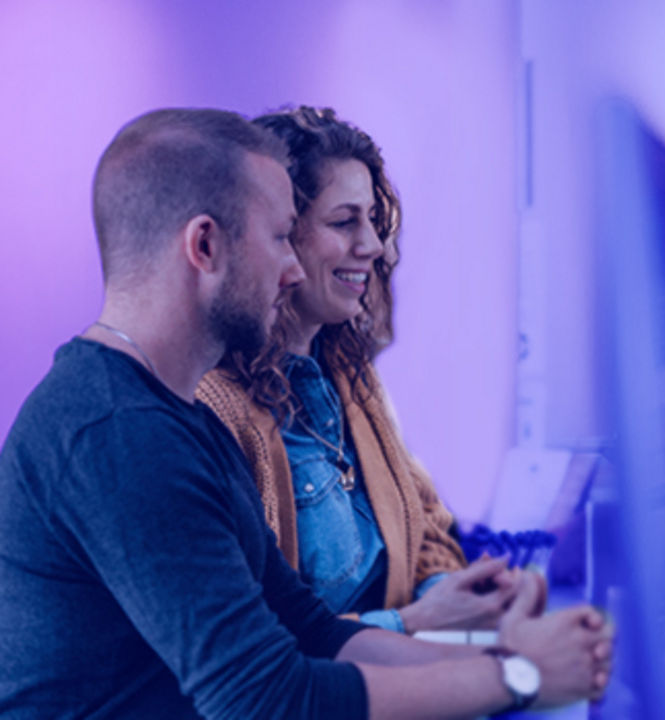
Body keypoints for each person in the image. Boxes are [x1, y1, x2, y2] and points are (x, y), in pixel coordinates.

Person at [0, 107, 611, 719]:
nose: (291, 269)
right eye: (277, 238)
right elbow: (270, 701)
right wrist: (521, 677)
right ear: (206, 246)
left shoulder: (182, 422)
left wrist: (502, 661)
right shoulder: (119, 436)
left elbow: (314, 633)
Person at [197, 106, 520, 634]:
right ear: (277, 235)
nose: (371, 245)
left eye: (373, 219)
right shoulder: (215, 410)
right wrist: (413, 624)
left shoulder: (348, 373)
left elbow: (427, 526)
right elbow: (251, 647)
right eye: (344, 221)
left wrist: (456, 597)